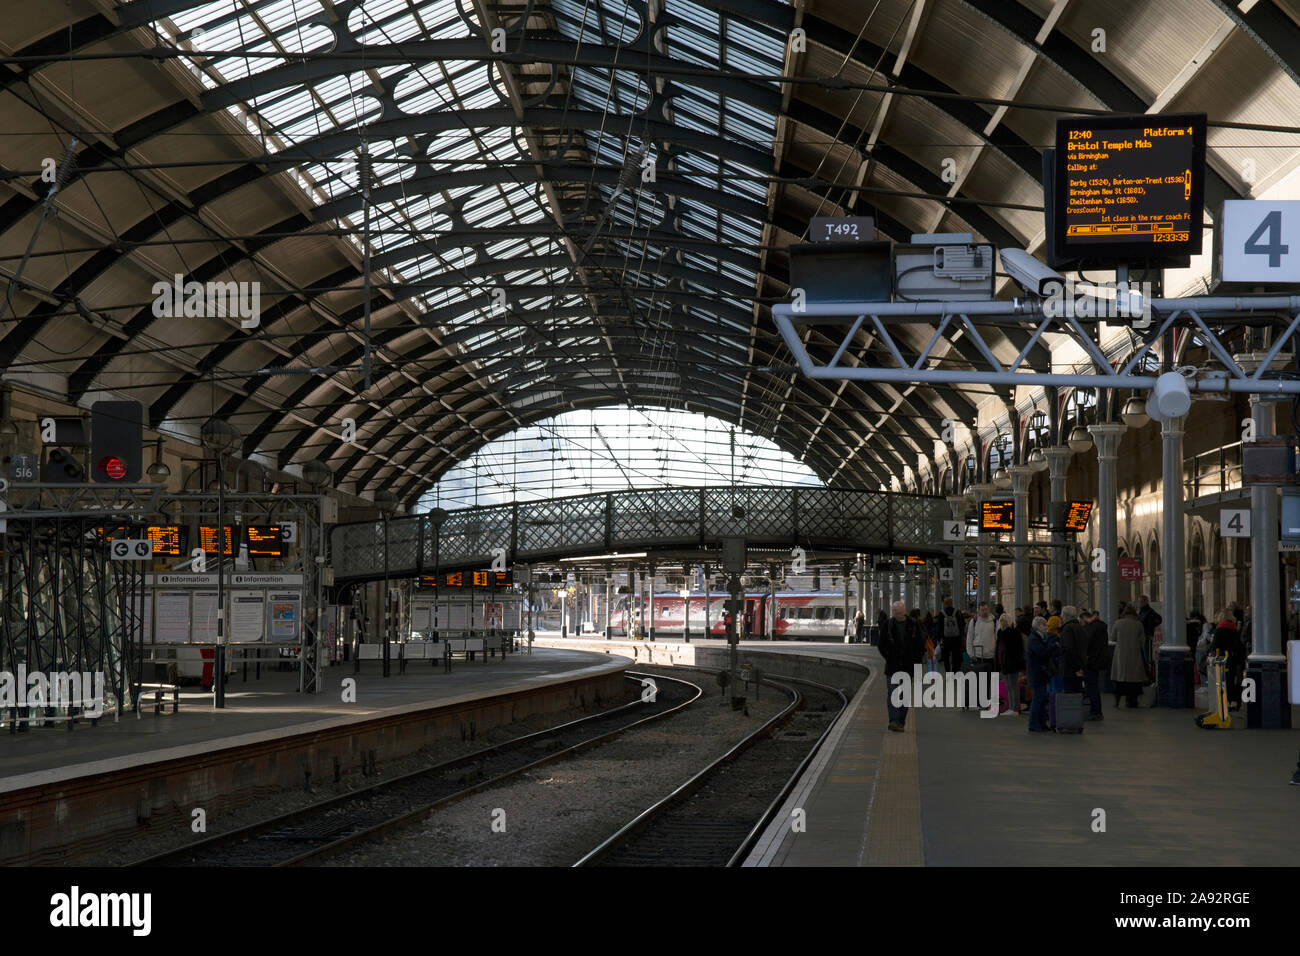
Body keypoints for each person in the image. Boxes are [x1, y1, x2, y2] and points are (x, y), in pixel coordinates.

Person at [880, 600, 925, 732]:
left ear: (904, 611)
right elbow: (881, 644)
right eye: (895, 612)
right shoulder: (888, 624)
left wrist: (915, 659)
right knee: (892, 693)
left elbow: (920, 644)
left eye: (899, 612)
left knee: (904, 694)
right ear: (892, 612)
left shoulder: (913, 624)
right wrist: (888, 656)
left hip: (908, 666)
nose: (897, 614)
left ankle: (901, 722)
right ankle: (893, 721)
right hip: (892, 666)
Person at [1026, 616, 1059, 732]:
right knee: (1038, 699)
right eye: (1044, 625)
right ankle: (1034, 724)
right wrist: (1052, 647)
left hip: (1040, 673)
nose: (1046, 627)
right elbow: (1042, 653)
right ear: (1038, 627)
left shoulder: (1040, 638)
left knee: (1041, 699)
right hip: (1036, 673)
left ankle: (1041, 723)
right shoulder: (1034, 639)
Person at [1110, 604, 1147, 708]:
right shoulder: (1138, 624)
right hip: (1134, 654)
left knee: (1120, 680)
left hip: (1120, 654)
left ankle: (1117, 701)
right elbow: (1142, 640)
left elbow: (1113, 638)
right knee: (1134, 680)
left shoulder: (1118, 623)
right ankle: (1132, 702)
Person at [1210, 608, 1246, 712]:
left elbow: (1214, 646)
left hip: (1222, 659)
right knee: (1232, 680)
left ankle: (1228, 702)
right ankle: (1234, 702)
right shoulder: (1234, 629)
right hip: (1233, 659)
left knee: (1224, 681)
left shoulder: (1219, 629)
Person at [994, 611, 1024, 717]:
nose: (1002, 623)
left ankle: (1014, 708)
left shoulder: (1013, 633)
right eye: (1001, 621)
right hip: (1004, 663)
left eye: (1004, 621)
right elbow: (998, 649)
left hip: (1012, 663)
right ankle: (1012, 707)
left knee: (1013, 686)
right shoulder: (1001, 633)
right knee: (1009, 687)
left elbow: (1017, 650)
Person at [1082, 609, 1109, 720]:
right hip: (1099, 660)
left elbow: (1086, 643)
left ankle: (1096, 711)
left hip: (1091, 661)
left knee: (1091, 686)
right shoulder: (1101, 627)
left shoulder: (1091, 628)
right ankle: (1096, 711)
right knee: (1094, 686)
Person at [1059, 606, 1087, 696]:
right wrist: (1080, 667)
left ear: (1065, 616)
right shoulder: (1080, 627)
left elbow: (1068, 649)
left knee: (1070, 697)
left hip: (1070, 669)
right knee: (1078, 695)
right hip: (1080, 665)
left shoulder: (1067, 629)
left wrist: (1076, 668)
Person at [937, 600, 965, 674]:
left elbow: (939, 627)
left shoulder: (941, 613)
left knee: (946, 657)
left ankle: (948, 672)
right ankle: (955, 671)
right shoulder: (958, 612)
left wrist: (939, 638)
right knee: (956, 656)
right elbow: (962, 624)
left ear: (945, 604)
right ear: (952, 603)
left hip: (946, 639)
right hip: (956, 639)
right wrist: (961, 636)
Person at [966, 603, 996, 670]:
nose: (985, 612)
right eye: (982, 610)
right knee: (981, 679)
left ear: (989, 610)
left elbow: (997, 637)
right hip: (978, 656)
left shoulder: (994, 621)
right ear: (978, 611)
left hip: (991, 656)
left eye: (986, 609)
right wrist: (971, 654)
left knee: (992, 679)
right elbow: (969, 638)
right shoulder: (974, 621)